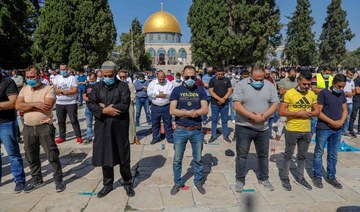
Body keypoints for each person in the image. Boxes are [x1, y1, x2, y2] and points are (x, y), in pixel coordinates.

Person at [87, 61, 135, 198]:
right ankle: (107, 184)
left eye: (110, 75)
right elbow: (91, 103)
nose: (107, 77)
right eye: (105, 75)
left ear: (115, 73)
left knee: (123, 156)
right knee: (105, 155)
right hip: (102, 126)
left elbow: (124, 104)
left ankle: (127, 182)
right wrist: (104, 110)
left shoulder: (123, 86)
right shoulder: (96, 87)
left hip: (119, 126)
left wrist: (105, 107)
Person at [15, 65, 65, 193]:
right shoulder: (24, 89)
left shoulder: (48, 89)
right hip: (28, 128)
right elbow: (18, 106)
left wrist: (26, 106)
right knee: (31, 156)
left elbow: (47, 107)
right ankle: (37, 180)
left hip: (44, 127)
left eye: (32, 77)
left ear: (39, 76)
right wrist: (36, 104)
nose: (30, 79)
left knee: (52, 154)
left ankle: (58, 179)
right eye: (27, 77)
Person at [233, 67, 279, 192]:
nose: (259, 81)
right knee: (242, 155)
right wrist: (252, 116)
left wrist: (263, 116)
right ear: (250, 76)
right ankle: (240, 179)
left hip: (263, 128)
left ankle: (264, 178)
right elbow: (236, 105)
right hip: (244, 126)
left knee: (263, 155)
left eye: (261, 79)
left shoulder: (269, 86)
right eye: (256, 79)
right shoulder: (241, 85)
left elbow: (275, 103)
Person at [169, 65, 208, 195]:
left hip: (196, 130)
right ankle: (177, 182)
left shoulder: (201, 90)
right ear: (182, 76)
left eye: (193, 77)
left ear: (196, 76)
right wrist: (190, 113)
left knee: (198, 158)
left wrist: (188, 112)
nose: (190, 79)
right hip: (180, 130)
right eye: (187, 77)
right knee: (177, 159)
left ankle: (198, 181)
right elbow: (172, 110)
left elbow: (205, 109)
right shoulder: (176, 90)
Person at [279, 70, 319, 191]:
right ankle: (285, 177)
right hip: (292, 129)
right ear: (298, 81)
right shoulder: (289, 94)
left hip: (306, 130)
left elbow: (317, 110)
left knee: (302, 156)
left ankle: (300, 177)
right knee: (288, 155)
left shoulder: (311, 94)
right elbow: (281, 111)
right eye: (304, 84)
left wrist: (310, 113)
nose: (306, 87)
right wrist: (298, 114)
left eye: (308, 84)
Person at [312, 74, 347, 190]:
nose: (341, 89)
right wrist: (332, 122)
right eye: (339, 86)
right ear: (333, 84)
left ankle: (331, 176)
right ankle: (317, 176)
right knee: (319, 153)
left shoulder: (341, 94)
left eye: (343, 87)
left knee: (333, 154)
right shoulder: (323, 93)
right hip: (324, 128)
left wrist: (341, 121)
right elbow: (318, 112)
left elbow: (345, 109)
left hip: (337, 129)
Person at [0, 72, 26, 193]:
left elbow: (13, 102)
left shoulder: (7, 82)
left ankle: (19, 179)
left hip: (6, 123)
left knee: (12, 153)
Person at [53, 63, 82, 144]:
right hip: (59, 103)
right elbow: (55, 89)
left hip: (71, 103)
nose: (62, 71)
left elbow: (75, 90)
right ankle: (62, 137)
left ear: (67, 69)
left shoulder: (72, 78)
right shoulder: (57, 78)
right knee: (61, 121)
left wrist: (65, 92)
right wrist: (63, 91)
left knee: (74, 120)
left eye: (64, 69)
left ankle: (78, 136)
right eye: (61, 69)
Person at [147, 71, 174, 144]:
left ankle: (169, 138)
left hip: (166, 107)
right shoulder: (152, 83)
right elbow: (149, 93)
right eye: (160, 79)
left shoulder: (169, 83)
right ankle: (156, 138)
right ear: (157, 77)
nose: (161, 81)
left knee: (168, 123)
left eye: (163, 79)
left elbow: (171, 93)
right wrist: (158, 94)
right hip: (155, 107)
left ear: (165, 77)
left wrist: (163, 94)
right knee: (155, 123)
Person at [208, 66, 233, 143]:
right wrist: (219, 99)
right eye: (218, 74)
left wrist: (224, 99)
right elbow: (211, 91)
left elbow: (230, 90)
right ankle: (213, 135)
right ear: (216, 73)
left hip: (225, 104)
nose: (220, 75)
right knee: (214, 120)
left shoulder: (227, 80)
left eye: (222, 74)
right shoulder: (212, 80)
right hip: (215, 103)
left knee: (225, 120)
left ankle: (225, 136)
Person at [275, 67, 298, 141]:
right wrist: (293, 91)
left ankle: (292, 134)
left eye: (294, 75)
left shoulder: (297, 81)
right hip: (284, 102)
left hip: (294, 103)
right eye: (292, 75)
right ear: (288, 74)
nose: (293, 76)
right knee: (282, 119)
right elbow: (281, 91)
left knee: (293, 119)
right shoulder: (283, 81)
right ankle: (278, 134)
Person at [310, 66, 334, 135]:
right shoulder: (316, 77)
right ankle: (311, 132)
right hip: (317, 100)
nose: (328, 75)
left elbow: (333, 88)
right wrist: (325, 90)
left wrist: (320, 89)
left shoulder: (331, 78)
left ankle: (322, 131)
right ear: (322, 71)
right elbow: (313, 88)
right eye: (326, 73)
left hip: (328, 101)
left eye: (329, 73)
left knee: (325, 116)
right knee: (314, 118)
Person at [119, 70, 140, 145]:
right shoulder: (116, 86)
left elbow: (133, 95)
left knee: (131, 121)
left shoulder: (130, 85)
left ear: (126, 77)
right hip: (119, 106)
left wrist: (126, 101)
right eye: (120, 77)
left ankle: (132, 138)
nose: (122, 78)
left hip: (129, 105)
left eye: (124, 77)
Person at [83, 72, 97, 143]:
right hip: (88, 107)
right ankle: (89, 137)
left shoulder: (98, 85)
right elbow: (84, 96)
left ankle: (98, 136)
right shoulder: (87, 86)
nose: (91, 79)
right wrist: (90, 99)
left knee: (98, 123)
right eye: (90, 78)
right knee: (89, 124)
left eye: (92, 78)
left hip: (96, 107)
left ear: (95, 78)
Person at [342, 69, 356, 137]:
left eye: (352, 75)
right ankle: (340, 129)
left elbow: (354, 92)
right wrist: (345, 94)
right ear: (347, 73)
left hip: (350, 102)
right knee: (341, 116)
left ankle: (345, 130)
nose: (351, 76)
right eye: (350, 75)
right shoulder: (343, 80)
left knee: (347, 117)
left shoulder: (352, 82)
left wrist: (351, 94)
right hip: (343, 102)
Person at [348, 72, 360, 137]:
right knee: (353, 115)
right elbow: (357, 91)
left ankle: (359, 130)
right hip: (356, 100)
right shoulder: (356, 80)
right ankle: (350, 129)